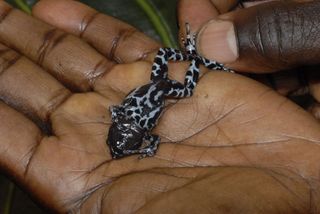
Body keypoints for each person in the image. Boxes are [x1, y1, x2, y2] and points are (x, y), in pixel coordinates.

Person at [0, 0, 319, 213]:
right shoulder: (128, 122)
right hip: (157, 89)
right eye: (119, 144)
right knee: (172, 69)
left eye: (117, 142)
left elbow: (139, 129)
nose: (117, 144)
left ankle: (197, 57)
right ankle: (196, 58)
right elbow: (139, 130)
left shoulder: (129, 120)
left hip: (161, 88)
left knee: (183, 81)